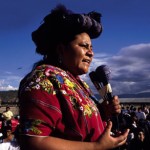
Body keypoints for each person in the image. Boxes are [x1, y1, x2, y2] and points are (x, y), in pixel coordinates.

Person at [18, 4, 129, 150]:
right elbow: (33, 141)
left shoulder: (78, 83)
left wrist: (103, 111)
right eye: (84, 46)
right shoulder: (42, 80)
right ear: (61, 49)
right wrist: (96, 147)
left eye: (91, 48)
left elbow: (75, 122)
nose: (91, 53)